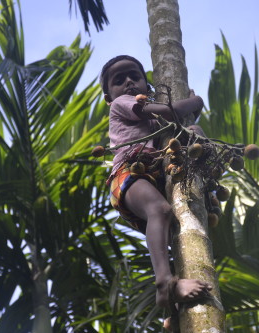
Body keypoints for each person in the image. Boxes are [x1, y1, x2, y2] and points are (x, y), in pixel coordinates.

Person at [101, 55, 212, 309]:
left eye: (134, 76)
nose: (128, 82)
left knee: (173, 234)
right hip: (128, 173)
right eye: (119, 80)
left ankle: (172, 315)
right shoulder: (121, 103)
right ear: (109, 97)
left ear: (147, 85)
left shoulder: (151, 121)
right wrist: (194, 101)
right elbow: (167, 110)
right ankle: (164, 283)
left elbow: (174, 124)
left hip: (151, 175)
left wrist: (193, 128)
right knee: (160, 211)